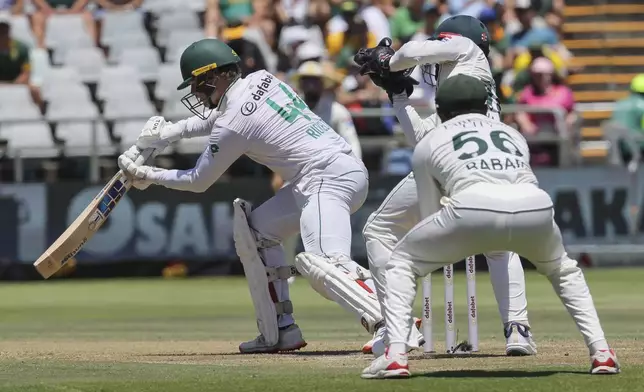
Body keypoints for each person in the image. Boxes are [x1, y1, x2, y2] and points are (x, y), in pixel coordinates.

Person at [116, 38, 381, 353]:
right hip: (330, 173)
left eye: (198, 86)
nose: (197, 95)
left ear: (213, 77)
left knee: (325, 263)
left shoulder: (234, 122)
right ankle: (281, 330)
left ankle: (390, 322)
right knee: (257, 231)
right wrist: (167, 134)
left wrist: (148, 175)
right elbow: (220, 119)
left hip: (324, 178)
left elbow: (199, 180)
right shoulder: (262, 79)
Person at [361, 74, 620, 378]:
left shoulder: (429, 141)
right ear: (485, 106)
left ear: (440, 110)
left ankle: (396, 355)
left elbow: (431, 213)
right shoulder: (511, 133)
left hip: (471, 207)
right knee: (563, 270)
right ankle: (602, 352)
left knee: (402, 262)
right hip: (536, 206)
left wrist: (460, 239)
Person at [355, 15, 536, 356]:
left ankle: (400, 328)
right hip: (487, 165)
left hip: (451, 168)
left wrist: (388, 60)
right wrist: (398, 96)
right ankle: (518, 331)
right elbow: (423, 138)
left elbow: (411, 50)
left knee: (379, 231)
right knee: (500, 245)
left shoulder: (468, 50)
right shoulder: (467, 87)